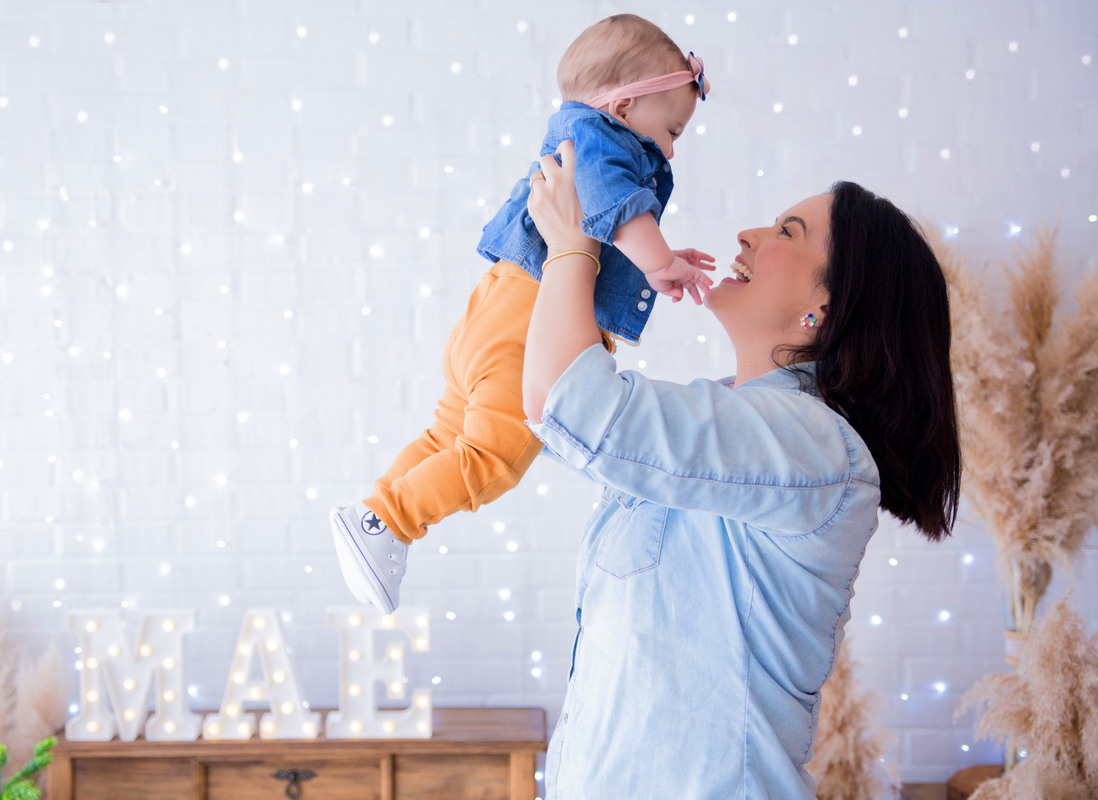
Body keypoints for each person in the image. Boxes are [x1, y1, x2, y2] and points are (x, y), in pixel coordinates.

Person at [521, 139, 961, 798]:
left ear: (828, 309)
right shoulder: (726, 425)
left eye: (788, 231)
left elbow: (572, 407)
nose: (749, 235)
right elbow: (563, 423)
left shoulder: (815, 447)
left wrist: (573, 246)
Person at [331, 14, 714, 613]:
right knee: (493, 456)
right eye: (672, 130)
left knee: (447, 434)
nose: (669, 148)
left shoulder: (584, 139)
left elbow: (605, 217)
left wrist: (654, 258)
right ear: (622, 105)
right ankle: (389, 522)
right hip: (525, 320)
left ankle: (371, 515)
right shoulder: (596, 141)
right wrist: (660, 261)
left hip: (499, 304)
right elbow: (618, 201)